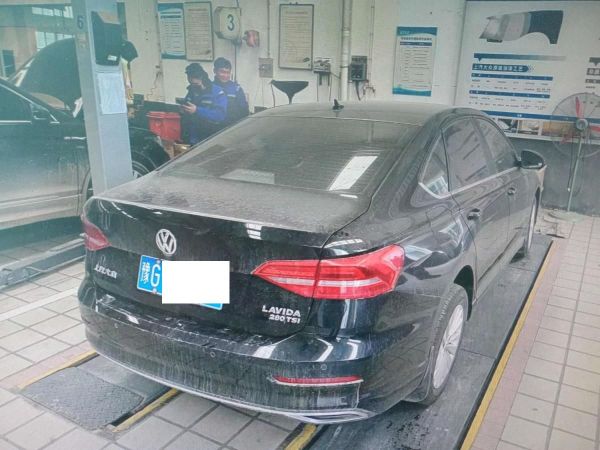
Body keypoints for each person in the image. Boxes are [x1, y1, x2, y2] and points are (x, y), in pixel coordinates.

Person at [180, 63, 228, 145]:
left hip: (210, 139)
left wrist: (197, 110)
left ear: (201, 76)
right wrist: (183, 110)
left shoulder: (217, 92)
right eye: (189, 77)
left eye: (195, 77)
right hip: (192, 139)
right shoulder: (191, 91)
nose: (192, 80)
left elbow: (220, 115)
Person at [213, 57, 249, 125]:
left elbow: (244, 111)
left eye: (228, 72)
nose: (225, 75)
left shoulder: (236, 89)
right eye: (222, 72)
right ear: (215, 71)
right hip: (213, 127)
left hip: (232, 127)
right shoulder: (208, 88)